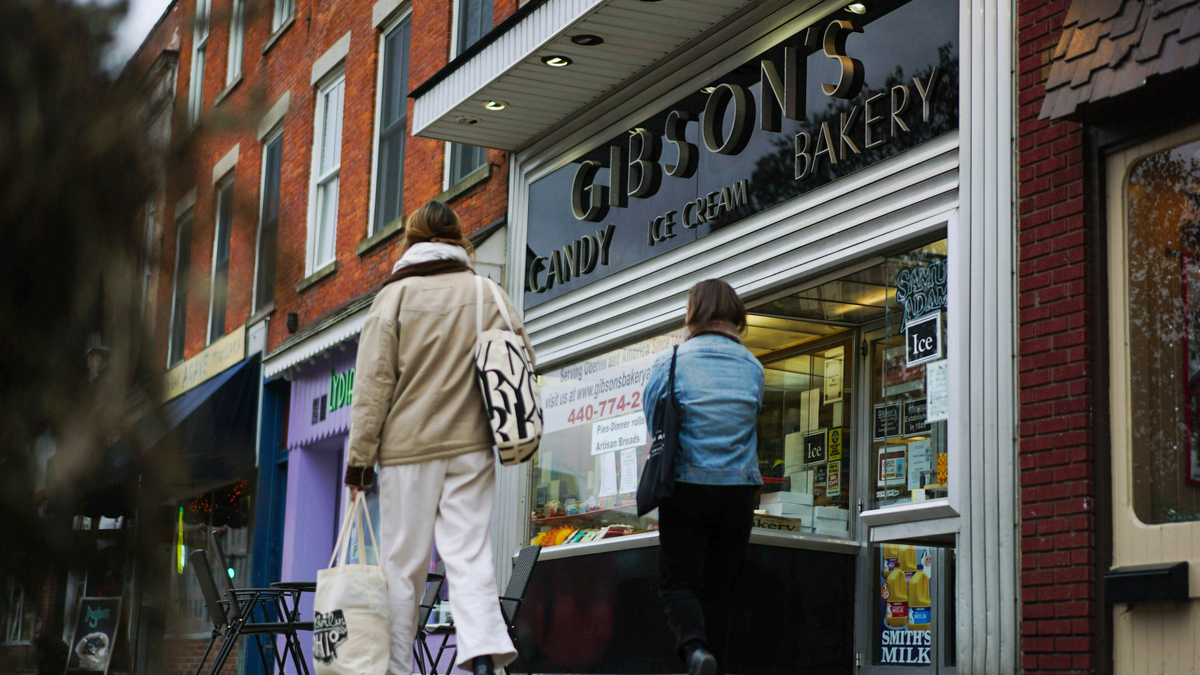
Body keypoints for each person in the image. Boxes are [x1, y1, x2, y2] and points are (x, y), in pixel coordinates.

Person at [344, 201, 534, 675]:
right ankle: (485, 654)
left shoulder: (393, 299)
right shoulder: (487, 292)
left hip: (407, 452)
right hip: (471, 448)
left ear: (411, 241)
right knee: (469, 557)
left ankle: (394, 667)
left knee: (402, 567)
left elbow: (372, 387)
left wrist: (359, 464)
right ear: (458, 240)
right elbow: (521, 360)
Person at [642, 279, 764, 675]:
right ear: (735, 314)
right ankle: (715, 666)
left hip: (687, 489)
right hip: (739, 493)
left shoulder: (671, 361)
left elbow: (654, 419)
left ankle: (695, 651)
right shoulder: (754, 368)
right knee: (721, 592)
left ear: (693, 312)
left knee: (678, 583)